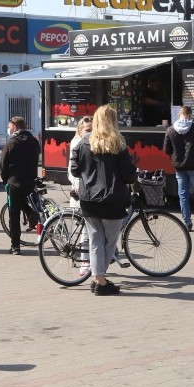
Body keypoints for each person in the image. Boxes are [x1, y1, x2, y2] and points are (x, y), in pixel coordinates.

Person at [70, 105, 137, 295]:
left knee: (95, 239)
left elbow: (75, 169)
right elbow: (128, 175)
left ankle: (99, 278)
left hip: (89, 199)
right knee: (110, 241)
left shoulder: (83, 143)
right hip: (112, 199)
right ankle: (100, 279)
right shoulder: (118, 143)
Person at [0, 116, 40, 255]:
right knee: (24, 200)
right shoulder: (34, 141)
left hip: (14, 182)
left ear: (15, 127)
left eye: (9, 125)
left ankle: (15, 246)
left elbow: (3, 164)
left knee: (14, 215)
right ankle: (30, 213)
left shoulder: (11, 142)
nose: (8, 128)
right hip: (30, 181)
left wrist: (5, 179)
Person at [67, 116, 93, 276]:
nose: (91, 133)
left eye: (93, 130)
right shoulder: (77, 143)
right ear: (80, 130)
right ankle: (85, 262)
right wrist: (77, 184)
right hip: (81, 192)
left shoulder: (92, 142)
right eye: (88, 130)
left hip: (92, 191)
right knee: (84, 230)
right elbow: (71, 169)